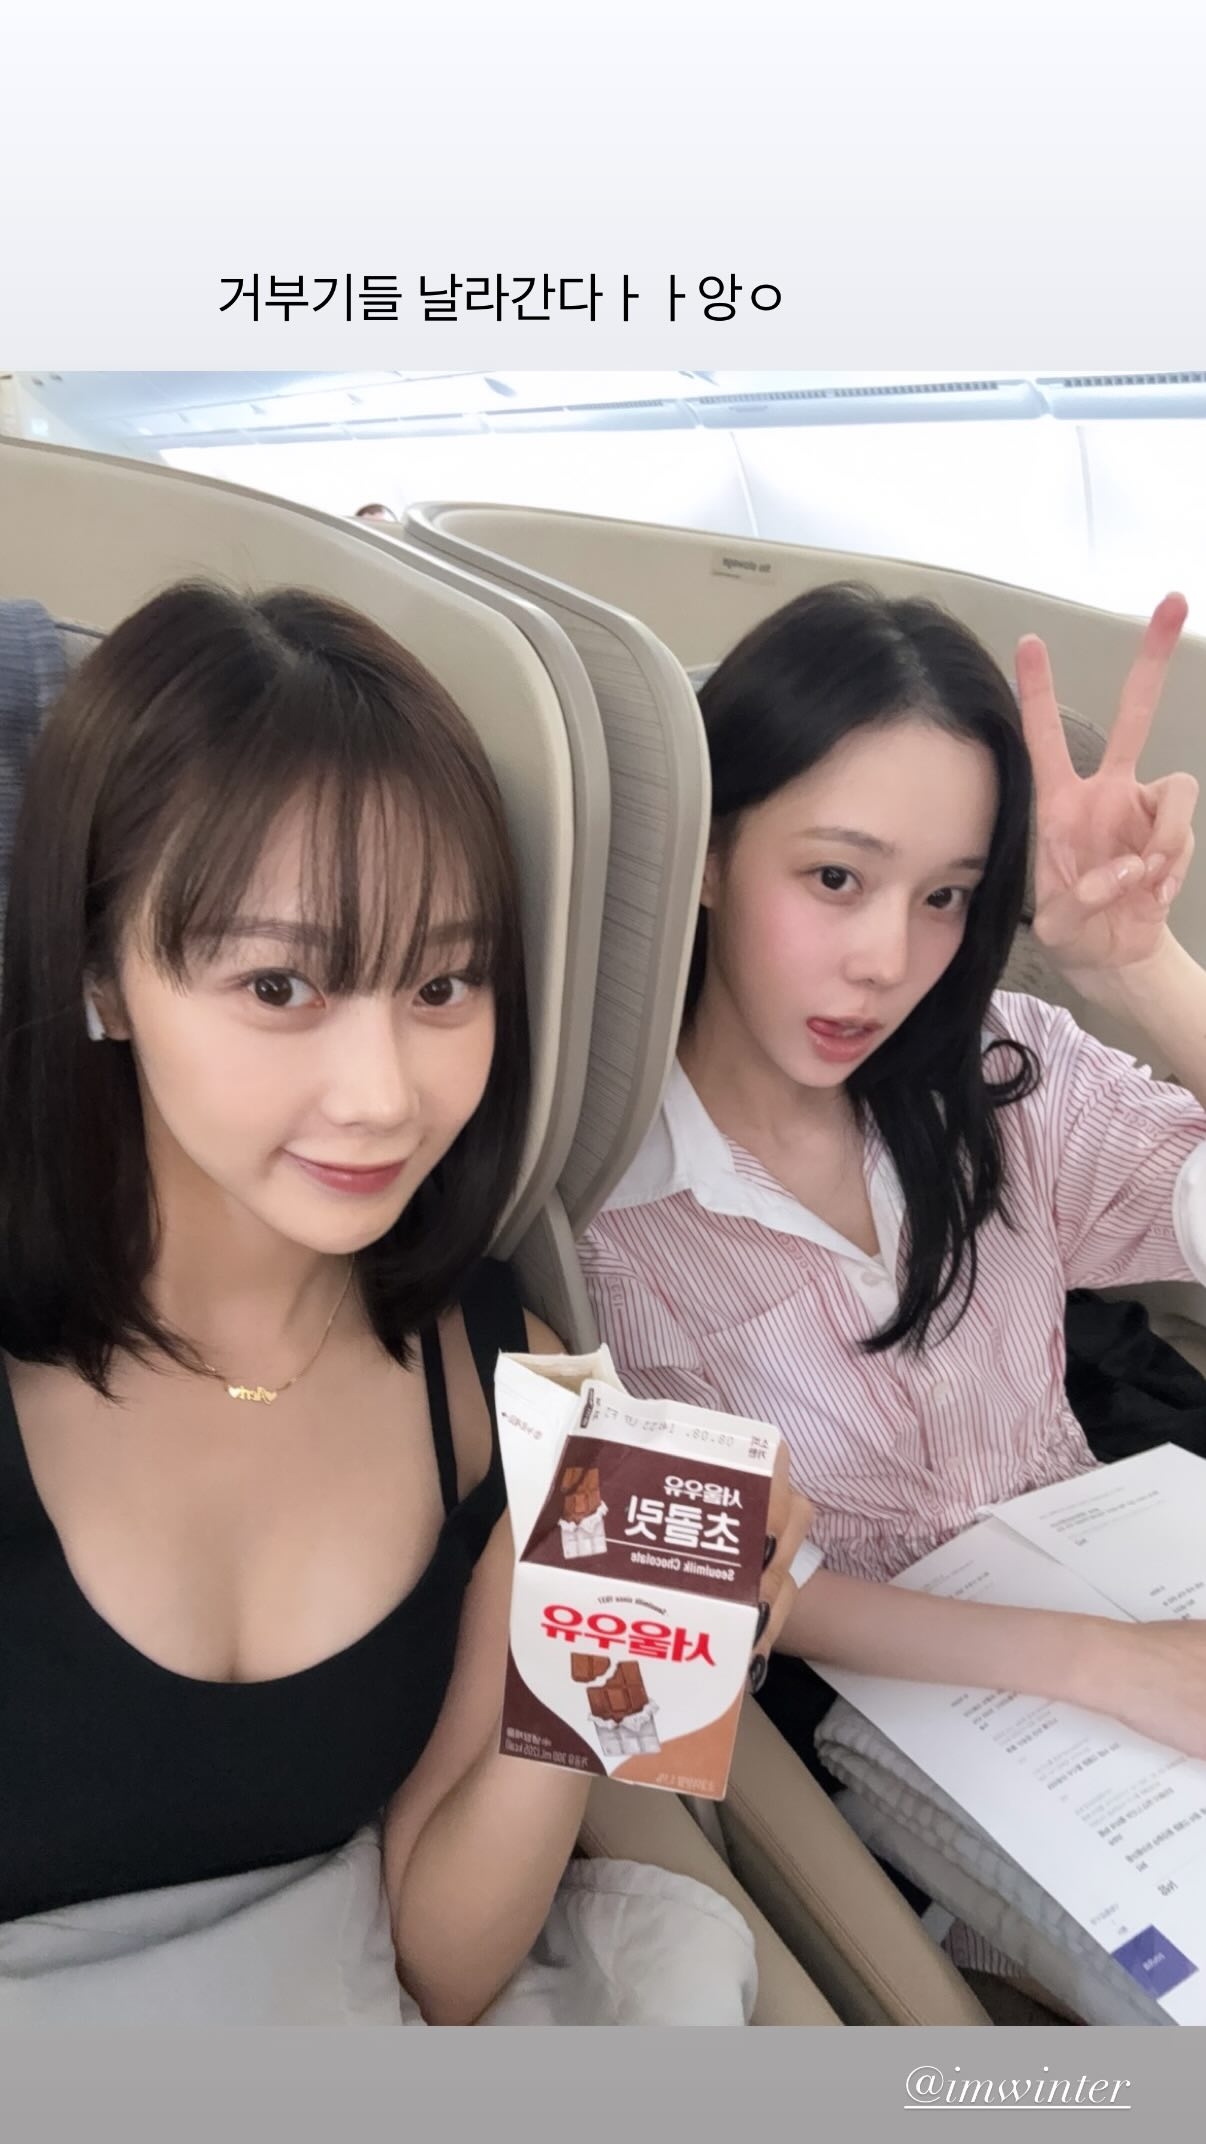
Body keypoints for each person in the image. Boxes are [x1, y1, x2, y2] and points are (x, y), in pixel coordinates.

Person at [0, 582, 810, 2022]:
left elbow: (438, 1964)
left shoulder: (518, 1390)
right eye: (279, 984)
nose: (383, 1095)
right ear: (101, 975)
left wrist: (616, 1653)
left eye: (443, 984)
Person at [580, 580, 1206, 1783]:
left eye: (943, 896)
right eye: (835, 878)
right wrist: (1108, 1664)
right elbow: (741, 1578)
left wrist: (1142, 968)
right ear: (708, 852)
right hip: (908, 1714)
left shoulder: (1005, 1073)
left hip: (1112, 1572)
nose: (886, 960)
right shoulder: (613, 1208)